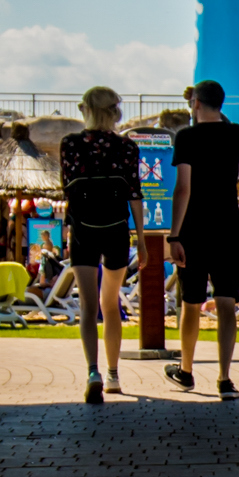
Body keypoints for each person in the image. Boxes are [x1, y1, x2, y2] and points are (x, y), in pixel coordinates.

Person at [59, 86, 147, 405]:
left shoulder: (70, 144)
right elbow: (134, 195)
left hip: (83, 229)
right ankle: (113, 374)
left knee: (87, 306)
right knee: (110, 303)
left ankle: (92, 371)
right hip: (116, 230)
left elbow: (67, 188)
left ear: (86, 109)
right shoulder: (127, 147)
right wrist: (141, 240)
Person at [165, 78, 239, 399]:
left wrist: (174, 235)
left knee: (191, 304)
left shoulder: (186, 137)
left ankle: (186, 371)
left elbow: (183, 189)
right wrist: (203, 104)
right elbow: (221, 121)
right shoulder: (235, 133)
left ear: (196, 103)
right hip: (228, 227)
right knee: (226, 303)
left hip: (195, 230)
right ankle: (224, 379)